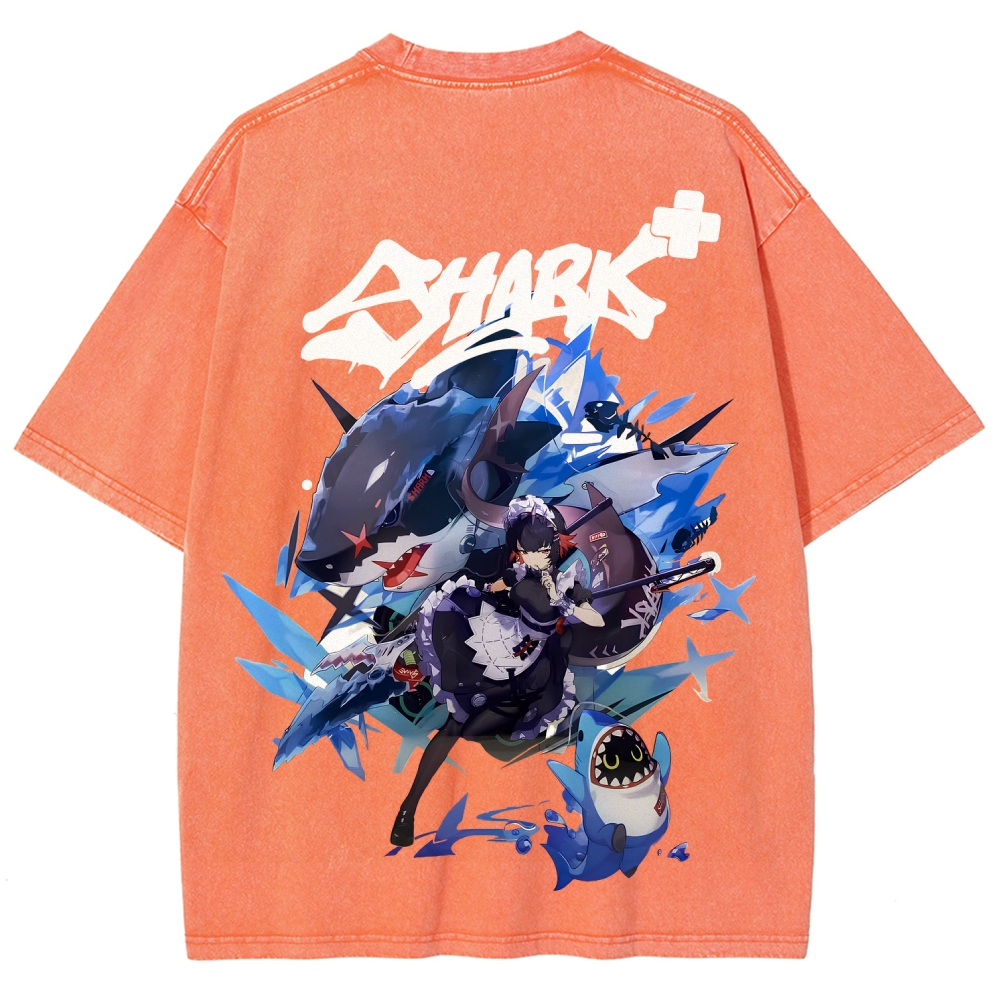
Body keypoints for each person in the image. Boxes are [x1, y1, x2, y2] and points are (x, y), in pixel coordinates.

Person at [389, 496, 603, 846]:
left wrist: (565, 602)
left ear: (552, 546)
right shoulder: (519, 573)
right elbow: (491, 589)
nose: (533, 557)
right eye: (526, 551)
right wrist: (486, 593)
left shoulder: (567, 582)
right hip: (496, 645)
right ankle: (407, 809)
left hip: (532, 666)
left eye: (539, 550)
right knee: (454, 726)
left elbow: (595, 619)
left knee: (475, 727)